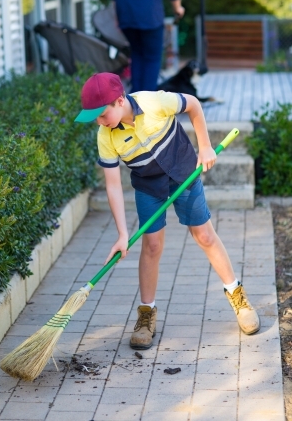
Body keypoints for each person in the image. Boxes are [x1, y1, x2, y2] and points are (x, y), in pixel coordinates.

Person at [75, 72, 260, 350]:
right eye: (95, 119)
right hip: (148, 187)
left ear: (119, 100)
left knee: (205, 236)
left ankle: (237, 295)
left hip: (184, 172)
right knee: (151, 246)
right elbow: (113, 186)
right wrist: (122, 234)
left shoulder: (154, 102)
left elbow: (194, 105)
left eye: (102, 115)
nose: (100, 123)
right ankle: (146, 314)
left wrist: (206, 146)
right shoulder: (106, 136)